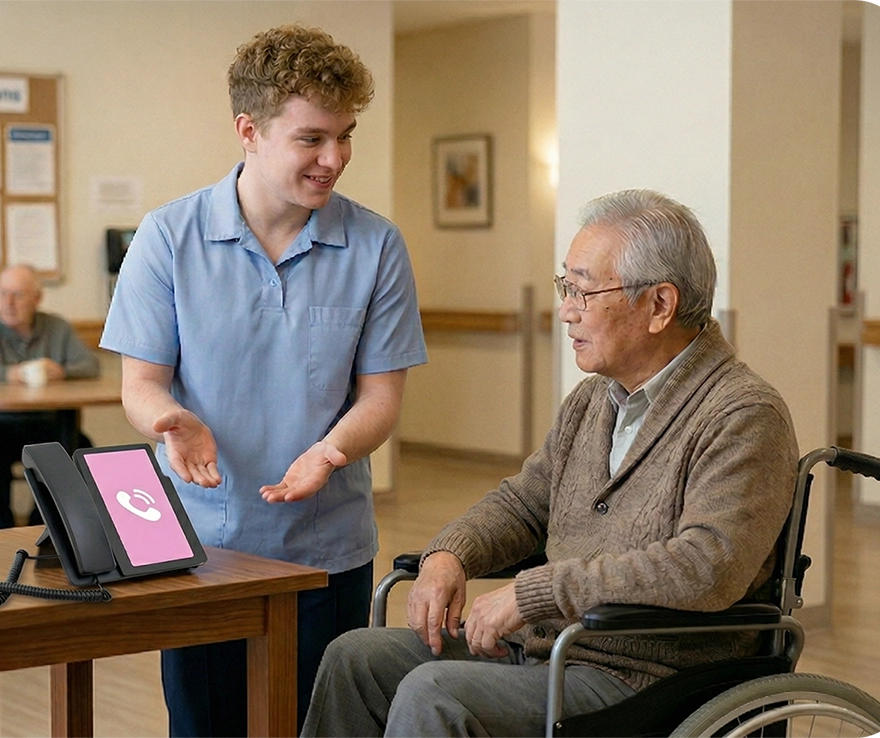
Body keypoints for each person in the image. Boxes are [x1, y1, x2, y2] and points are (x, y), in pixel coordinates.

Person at [302, 189, 801, 738]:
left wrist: (532, 592)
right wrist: (450, 553)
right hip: (552, 649)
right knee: (355, 658)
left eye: (583, 290)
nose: (566, 310)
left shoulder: (744, 414)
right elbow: (522, 504)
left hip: (647, 676)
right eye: (567, 286)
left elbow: (707, 566)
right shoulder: (593, 401)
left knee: (435, 694)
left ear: (660, 305)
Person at [99, 24, 427, 737]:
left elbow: (380, 398)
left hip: (326, 549)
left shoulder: (376, 246)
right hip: (196, 547)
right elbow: (141, 384)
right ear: (248, 130)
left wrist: (331, 452)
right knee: (204, 726)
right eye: (311, 139)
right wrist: (168, 419)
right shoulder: (167, 238)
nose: (334, 158)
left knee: (315, 727)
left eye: (345, 136)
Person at [0, 264, 101, 529]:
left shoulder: (56, 327)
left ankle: (46, 525)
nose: (8, 303)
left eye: (18, 295)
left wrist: (62, 372)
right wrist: (8, 374)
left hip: (44, 422)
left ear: (37, 298)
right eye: (3, 294)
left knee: (78, 444)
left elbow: (90, 365)